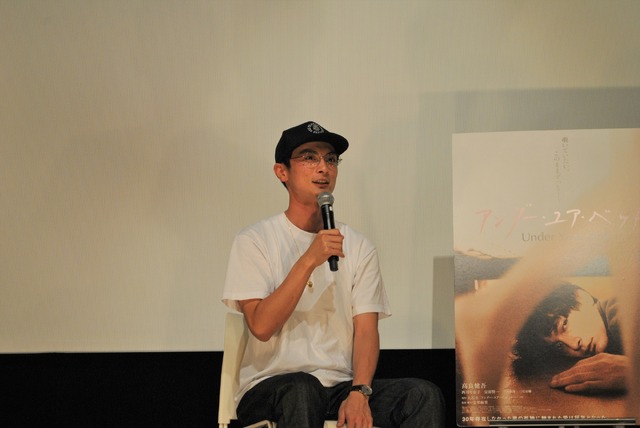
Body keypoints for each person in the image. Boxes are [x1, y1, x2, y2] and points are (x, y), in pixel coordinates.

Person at [222, 121, 445, 428]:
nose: (323, 168)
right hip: (271, 384)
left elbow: (366, 331)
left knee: (421, 395)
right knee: (303, 388)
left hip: (338, 386)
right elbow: (261, 326)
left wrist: (360, 391)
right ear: (282, 172)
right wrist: (309, 260)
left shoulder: (359, 245)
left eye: (331, 159)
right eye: (309, 157)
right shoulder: (255, 240)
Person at [511, 283, 628, 393]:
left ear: (582, 297)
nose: (574, 345)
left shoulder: (621, 313)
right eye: (559, 346)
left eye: (564, 325)